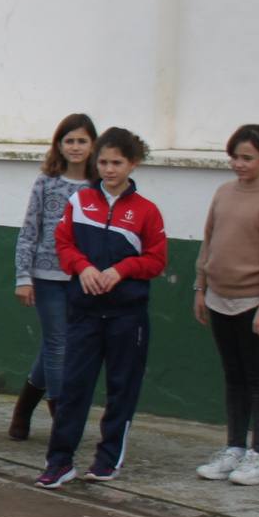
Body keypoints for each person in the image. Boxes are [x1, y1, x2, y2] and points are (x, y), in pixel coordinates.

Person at [37, 127, 169, 489]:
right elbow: (63, 244)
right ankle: (59, 462)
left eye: (117, 163)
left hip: (128, 316)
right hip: (84, 312)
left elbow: (156, 260)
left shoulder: (147, 212)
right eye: (104, 162)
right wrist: (84, 268)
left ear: (133, 163)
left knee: (121, 388)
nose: (109, 169)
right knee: (74, 387)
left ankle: (107, 459)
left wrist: (120, 270)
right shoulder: (80, 203)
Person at [193, 124, 259, 487]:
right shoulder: (223, 193)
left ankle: (258, 455)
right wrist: (200, 287)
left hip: (253, 302)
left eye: (247, 158)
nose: (238, 164)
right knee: (233, 376)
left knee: (258, 377)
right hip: (220, 298)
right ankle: (234, 447)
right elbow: (208, 242)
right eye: (234, 156)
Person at [9, 113, 97, 440]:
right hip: (47, 276)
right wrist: (23, 276)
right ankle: (62, 419)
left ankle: (22, 409)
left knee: (56, 344)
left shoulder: (98, 185)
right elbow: (30, 230)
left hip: (83, 277)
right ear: (59, 145)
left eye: (82, 141)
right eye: (69, 140)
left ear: (93, 145)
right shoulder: (47, 182)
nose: (75, 147)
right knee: (60, 344)